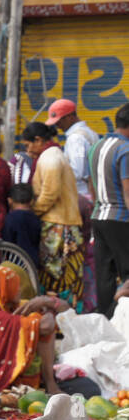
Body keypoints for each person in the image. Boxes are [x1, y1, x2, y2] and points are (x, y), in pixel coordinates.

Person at [0, 265, 96, 397]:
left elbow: (68, 312)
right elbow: (47, 326)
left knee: (89, 387)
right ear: (3, 290)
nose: (19, 289)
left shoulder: (17, 308)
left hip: (25, 382)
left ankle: (51, 383)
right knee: (89, 390)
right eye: (14, 286)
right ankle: (51, 385)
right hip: (13, 386)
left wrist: (47, 302)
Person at [26, 121, 85, 308]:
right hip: (62, 222)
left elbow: (50, 193)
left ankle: (59, 320)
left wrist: (33, 212)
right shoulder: (53, 155)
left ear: (38, 140)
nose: (28, 151)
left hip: (58, 226)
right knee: (62, 276)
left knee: (56, 276)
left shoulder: (50, 158)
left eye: (28, 145)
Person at [89, 104, 129, 316]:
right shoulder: (126, 149)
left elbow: (90, 185)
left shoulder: (97, 146)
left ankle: (106, 319)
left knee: (104, 274)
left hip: (98, 217)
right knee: (127, 274)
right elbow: (128, 190)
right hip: (121, 218)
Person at [47, 99, 98, 201]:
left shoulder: (75, 138)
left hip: (80, 195)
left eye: (59, 121)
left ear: (70, 117)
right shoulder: (90, 132)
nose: (57, 125)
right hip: (90, 193)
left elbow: (77, 172)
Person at [2, 182, 43, 274]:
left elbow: (6, 241)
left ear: (9, 201)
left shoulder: (10, 218)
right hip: (32, 264)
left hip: (14, 263)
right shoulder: (36, 219)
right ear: (32, 201)